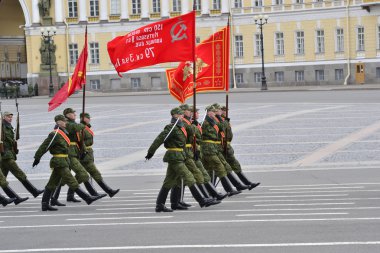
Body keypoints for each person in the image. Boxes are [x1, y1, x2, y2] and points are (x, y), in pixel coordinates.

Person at [145, 107, 218, 212]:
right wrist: (151, 152)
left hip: (180, 155)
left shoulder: (181, 127)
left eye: (182, 114)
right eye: (180, 114)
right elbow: (159, 139)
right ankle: (202, 200)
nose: (182, 115)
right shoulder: (171, 128)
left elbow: (194, 132)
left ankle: (161, 205)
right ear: (175, 116)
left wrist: (194, 122)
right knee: (189, 177)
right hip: (174, 156)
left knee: (169, 182)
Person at [33, 115, 104, 211]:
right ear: (59, 123)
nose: (66, 122)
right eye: (63, 121)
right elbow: (45, 146)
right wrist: (37, 157)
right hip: (59, 162)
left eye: (65, 121)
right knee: (72, 181)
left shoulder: (63, 133)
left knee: (52, 184)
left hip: (63, 161)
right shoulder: (55, 134)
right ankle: (87, 198)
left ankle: (45, 204)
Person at [51, 108, 106, 205]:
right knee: (77, 175)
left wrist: (82, 149)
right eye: (73, 113)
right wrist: (83, 124)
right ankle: (54, 199)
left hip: (72, 153)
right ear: (67, 115)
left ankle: (57, 198)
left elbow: (79, 137)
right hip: (67, 155)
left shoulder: (70, 123)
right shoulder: (67, 124)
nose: (75, 115)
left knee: (61, 178)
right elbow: (76, 128)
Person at [201, 106, 245, 196]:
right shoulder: (204, 123)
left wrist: (222, 119)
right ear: (209, 113)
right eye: (214, 111)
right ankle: (212, 192)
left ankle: (213, 191)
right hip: (208, 149)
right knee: (216, 169)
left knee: (222, 168)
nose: (216, 113)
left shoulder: (213, 122)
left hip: (215, 148)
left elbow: (222, 128)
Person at [1, 111, 44, 198]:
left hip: (8, 155)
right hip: (6, 155)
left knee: (2, 178)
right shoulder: (2, 127)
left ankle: (14, 198)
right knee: (19, 173)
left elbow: (12, 140)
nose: (10, 118)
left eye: (11, 117)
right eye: (8, 117)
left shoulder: (8, 127)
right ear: (3, 117)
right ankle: (34, 191)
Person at [79, 112, 119, 198]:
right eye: (87, 118)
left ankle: (70, 194)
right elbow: (80, 142)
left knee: (80, 175)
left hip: (89, 153)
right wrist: (84, 152)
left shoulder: (86, 128)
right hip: (85, 154)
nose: (89, 119)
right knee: (94, 173)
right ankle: (108, 191)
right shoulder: (81, 129)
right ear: (83, 119)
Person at [220, 105, 260, 190]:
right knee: (219, 170)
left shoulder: (225, 120)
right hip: (222, 147)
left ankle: (246, 183)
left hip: (227, 146)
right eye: (223, 110)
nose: (225, 112)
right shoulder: (220, 121)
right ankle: (209, 191)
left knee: (235, 165)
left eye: (226, 110)